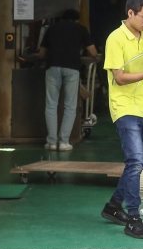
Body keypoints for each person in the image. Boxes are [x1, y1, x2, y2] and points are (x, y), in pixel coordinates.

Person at [99, 0, 143, 239]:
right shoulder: (115, 39)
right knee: (136, 161)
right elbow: (119, 77)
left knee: (136, 165)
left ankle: (113, 206)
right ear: (130, 13)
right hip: (124, 108)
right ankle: (134, 218)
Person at [39, 9, 98, 151]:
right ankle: (64, 142)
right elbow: (93, 51)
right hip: (72, 68)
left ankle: (52, 142)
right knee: (70, 106)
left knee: (51, 105)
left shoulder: (52, 28)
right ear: (77, 20)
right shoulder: (81, 29)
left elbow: (41, 53)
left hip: (52, 67)